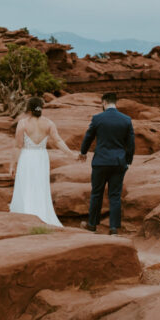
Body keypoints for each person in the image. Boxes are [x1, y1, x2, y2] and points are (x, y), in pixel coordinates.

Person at [8, 97, 73, 227]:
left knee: (26, 185)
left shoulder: (23, 123)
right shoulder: (49, 123)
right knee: (40, 186)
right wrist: (71, 154)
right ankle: (42, 214)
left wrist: (12, 165)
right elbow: (58, 141)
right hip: (41, 157)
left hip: (27, 157)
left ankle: (26, 214)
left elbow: (17, 146)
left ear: (29, 109)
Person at [78, 92, 135, 235]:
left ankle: (92, 225)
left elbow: (88, 136)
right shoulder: (126, 120)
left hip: (101, 162)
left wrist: (83, 152)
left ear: (104, 102)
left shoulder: (98, 118)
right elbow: (131, 144)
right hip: (118, 162)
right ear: (115, 103)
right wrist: (127, 161)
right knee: (115, 195)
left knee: (96, 193)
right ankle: (113, 228)